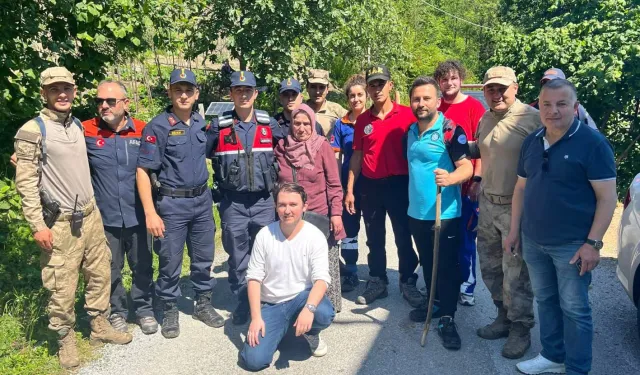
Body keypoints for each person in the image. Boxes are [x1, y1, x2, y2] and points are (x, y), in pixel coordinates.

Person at [13, 67, 132, 368]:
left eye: (66, 88)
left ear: (75, 91)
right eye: (55, 89)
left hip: (91, 216)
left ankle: (99, 326)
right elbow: (26, 182)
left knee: (100, 273)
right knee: (61, 284)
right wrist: (37, 225)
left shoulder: (78, 124)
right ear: (44, 93)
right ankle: (65, 339)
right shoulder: (32, 130)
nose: (62, 94)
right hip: (60, 223)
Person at [507, 79, 617, 375]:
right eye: (546, 104)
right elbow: (520, 188)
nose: (553, 110)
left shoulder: (593, 144)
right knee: (545, 300)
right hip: (534, 240)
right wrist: (515, 230)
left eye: (561, 104)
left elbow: (607, 198)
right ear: (538, 106)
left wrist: (593, 243)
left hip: (573, 245)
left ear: (575, 107)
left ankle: (578, 369)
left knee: (575, 309)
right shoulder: (532, 141)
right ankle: (552, 356)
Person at [137, 68, 224, 339]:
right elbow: (143, 170)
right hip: (171, 205)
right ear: (170, 93)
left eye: (189, 90)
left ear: (196, 93)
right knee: (169, 261)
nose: (183, 95)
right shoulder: (158, 126)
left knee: (203, 258)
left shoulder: (200, 123)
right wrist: (150, 212)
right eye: (178, 90)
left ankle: (202, 304)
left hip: (201, 202)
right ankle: (170, 309)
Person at [473, 66, 540, 359]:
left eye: (502, 88)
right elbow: (488, 150)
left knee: (516, 272)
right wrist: (464, 147)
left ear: (515, 87)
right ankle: (502, 317)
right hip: (487, 204)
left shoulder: (532, 119)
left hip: (517, 206)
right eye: (490, 88)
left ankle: (520, 328)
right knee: (490, 267)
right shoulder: (486, 117)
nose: (496, 94)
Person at [404, 76, 473, 351]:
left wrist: (452, 178)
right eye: (416, 99)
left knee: (445, 267)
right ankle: (434, 303)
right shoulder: (410, 130)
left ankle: (447, 317)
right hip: (417, 213)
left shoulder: (450, 130)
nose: (421, 103)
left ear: (437, 100)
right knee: (429, 262)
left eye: (426, 98)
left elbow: (466, 166)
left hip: (444, 214)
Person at [345, 65, 422, 307]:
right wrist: (349, 190)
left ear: (390, 85)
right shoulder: (363, 121)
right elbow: (356, 156)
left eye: (381, 83)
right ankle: (378, 280)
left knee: (403, 235)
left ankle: (407, 280)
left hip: (400, 184)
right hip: (371, 186)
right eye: (372, 84)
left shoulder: (408, 115)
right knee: (374, 236)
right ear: (367, 89)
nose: (377, 88)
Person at [83, 80, 157, 334]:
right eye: (99, 101)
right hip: (105, 217)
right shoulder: (85, 131)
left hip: (137, 213)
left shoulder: (143, 131)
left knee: (142, 264)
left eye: (110, 101)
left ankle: (144, 309)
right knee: (110, 268)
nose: (103, 106)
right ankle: (117, 311)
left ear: (125, 104)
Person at [208, 70, 280, 325]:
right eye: (238, 90)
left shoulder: (269, 124)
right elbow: (201, 154)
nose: (243, 94)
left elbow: (288, 150)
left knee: (267, 254)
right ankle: (242, 302)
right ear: (231, 94)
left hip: (263, 201)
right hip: (233, 203)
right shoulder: (218, 125)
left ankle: (265, 300)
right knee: (238, 256)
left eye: (248, 90)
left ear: (255, 94)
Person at [240, 182, 335, 371]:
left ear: (304, 207)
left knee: (323, 313)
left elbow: (322, 279)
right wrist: (256, 318)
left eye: (293, 204)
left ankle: (311, 331)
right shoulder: (264, 235)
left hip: (301, 298)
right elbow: (253, 278)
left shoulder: (314, 236)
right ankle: (281, 330)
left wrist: (308, 309)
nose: (287, 210)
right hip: (271, 304)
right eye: (282, 205)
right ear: (276, 207)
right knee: (254, 361)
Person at [274, 103, 345, 310]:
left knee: (322, 263)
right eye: (297, 123)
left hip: (319, 215)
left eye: (306, 123)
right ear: (291, 124)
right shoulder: (282, 148)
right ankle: (298, 306)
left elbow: (334, 183)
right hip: (290, 217)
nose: (301, 128)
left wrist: (336, 214)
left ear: (313, 124)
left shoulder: (322, 146)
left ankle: (327, 308)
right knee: (296, 265)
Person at [434, 60, 486, 307]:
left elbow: (482, 149)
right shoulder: (435, 106)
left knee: (465, 240)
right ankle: (442, 284)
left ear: (461, 79)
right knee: (441, 239)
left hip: (466, 187)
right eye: (444, 79)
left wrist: (477, 180)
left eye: (453, 78)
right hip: (441, 187)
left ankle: (466, 286)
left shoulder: (474, 107)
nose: (449, 83)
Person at [330, 74, 367, 292]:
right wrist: (338, 187)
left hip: (370, 185)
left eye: (360, 94)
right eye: (352, 96)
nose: (356, 99)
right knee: (349, 231)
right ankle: (351, 271)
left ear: (367, 96)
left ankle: (377, 275)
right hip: (348, 186)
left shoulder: (373, 121)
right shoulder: (340, 124)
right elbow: (337, 157)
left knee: (374, 231)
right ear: (347, 99)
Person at [530, 68, 597, 130]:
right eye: (545, 83)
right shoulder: (531, 108)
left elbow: (594, 131)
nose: (550, 86)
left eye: (555, 83)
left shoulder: (575, 107)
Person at [305, 69, 348, 137]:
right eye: (313, 87)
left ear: (327, 89)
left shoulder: (336, 110)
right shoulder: (300, 110)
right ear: (307, 88)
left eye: (321, 87)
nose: (317, 92)